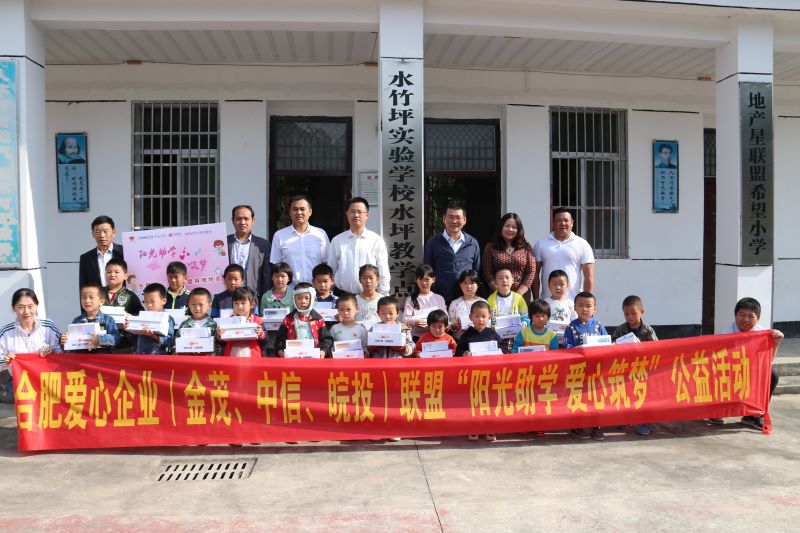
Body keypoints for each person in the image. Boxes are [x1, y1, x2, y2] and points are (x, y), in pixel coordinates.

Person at [711, 297, 784, 431]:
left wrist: (776, 344)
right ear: (735, 316)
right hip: (730, 369)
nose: (746, 319)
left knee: (772, 373)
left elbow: (767, 362)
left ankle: (753, 415)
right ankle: (715, 409)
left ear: (758, 318)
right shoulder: (726, 334)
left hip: (752, 370)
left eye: (751, 316)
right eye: (742, 315)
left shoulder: (763, 333)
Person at [0, 289, 62, 401]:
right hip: (19, 383)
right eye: (21, 307)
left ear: (37, 306)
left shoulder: (48, 326)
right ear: (13, 308)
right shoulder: (6, 332)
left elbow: (62, 353)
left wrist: (52, 351)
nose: (26, 311)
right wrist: (5, 360)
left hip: (47, 381)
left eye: (30, 306)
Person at [564, 291, 608, 442]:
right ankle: (578, 425)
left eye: (588, 306)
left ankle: (597, 426)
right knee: (579, 397)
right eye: (581, 305)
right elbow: (568, 347)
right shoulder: (571, 328)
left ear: (594, 308)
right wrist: (581, 351)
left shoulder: (599, 326)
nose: (584, 309)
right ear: (575, 308)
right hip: (579, 370)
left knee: (596, 397)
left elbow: (607, 345)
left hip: (596, 370)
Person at [455, 300, 502, 442]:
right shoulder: (466, 335)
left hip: (490, 375)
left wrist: (499, 354)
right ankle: (473, 428)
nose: (480, 320)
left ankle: (489, 428)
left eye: (484, 316)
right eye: (477, 316)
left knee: (490, 402)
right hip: (472, 376)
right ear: (470, 317)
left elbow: (502, 352)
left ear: (489, 318)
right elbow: (457, 353)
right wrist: (463, 354)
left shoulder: (493, 335)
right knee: (473, 402)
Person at [611, 295, 658, 435]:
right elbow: (612, 347)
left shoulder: (648, 330)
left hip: (644, 371)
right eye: (626, 314)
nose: (630, 317)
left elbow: (657, 348)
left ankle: (647, 422)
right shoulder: (620, 330)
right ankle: (626, 418)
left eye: (633, 313)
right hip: (626, 369)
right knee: (627, 394)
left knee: (645, 396)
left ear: (642, 312)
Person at [328, 197, 390, 296]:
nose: (356, 215)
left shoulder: (376, 240)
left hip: (369, 296)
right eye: (352, 211)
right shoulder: (337, 240)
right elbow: (331, 270)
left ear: (367, 215)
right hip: (342, 296)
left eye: (360, 212)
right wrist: (329, 294)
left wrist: (383, 295)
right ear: (347, 214)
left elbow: (383, 271)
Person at [423, 204, 481, 305]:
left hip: (465, 298)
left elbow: (476, 269)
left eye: (458, 217)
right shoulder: (433, 243)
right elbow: (428, 270)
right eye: (450, 217)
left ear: (464, 220)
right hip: (439, 297)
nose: (454, 221)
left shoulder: (472, 243)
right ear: (444, 219)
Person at [533, 208, 595, 301]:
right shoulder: (541, 244)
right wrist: (536, 300)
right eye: (558, 221)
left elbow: (589, 275)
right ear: (553, 223)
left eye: (566, 220)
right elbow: (534, 274)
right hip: (547, 302)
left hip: (574, 302)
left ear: (572, 223)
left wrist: (586, 300)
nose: (563, 223)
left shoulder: (582, 244)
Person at [270, 195, 329, 287]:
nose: (299, 212)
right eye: (295, 209)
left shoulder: (320, 234)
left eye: (302, 209)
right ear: (289, 212)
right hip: (289, 290)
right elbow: (276, 265)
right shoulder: (279, 236)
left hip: (316, 290)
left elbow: (326, 263)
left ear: (310, 212)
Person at [481, 213, 536, 302]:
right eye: (507, 226)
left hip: (521, 297)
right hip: (498, 297)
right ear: (501, 227)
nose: (510, 229)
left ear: (519, 230)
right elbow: (487, 272)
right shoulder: (490, 247)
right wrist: (502, 293)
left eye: (514, 227)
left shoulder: (526, 247)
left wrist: (518, 294)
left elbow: (531, 272)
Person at [276, 283, 333, 359]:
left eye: (307, 298)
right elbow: (280, 339)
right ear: (293, 299)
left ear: (313, 299)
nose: (303, 301)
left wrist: (323, 351)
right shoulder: (288, 319)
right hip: (292, 358)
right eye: (299, 298)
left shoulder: (318, 319)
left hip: (314, 358)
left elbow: (326, 339)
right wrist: (280, 351)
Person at [226, 205, 273, 299]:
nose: (242, 222)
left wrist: (264, 298)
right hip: (228, 297)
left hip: (252, 297)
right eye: (238, 219)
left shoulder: (263, 245)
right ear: (232, 220)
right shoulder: (223, 243)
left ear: (253, 220)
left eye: (246, 219)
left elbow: (267, 276)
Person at [61, 284, 120, 353]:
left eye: (91, 297)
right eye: (84, 297)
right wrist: (65, 340)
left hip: (102, 358)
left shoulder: (107, 320)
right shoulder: (77, 321)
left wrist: (99, 339)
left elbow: (116, 338)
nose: (87, 300)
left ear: (101, 301)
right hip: (81, 358)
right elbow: (72, 343)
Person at [487, 267, 531, 353]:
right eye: (500, 278)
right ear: (495, 282)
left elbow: (525, 317)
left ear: (512, 280)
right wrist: (491, 326)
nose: (504, 280)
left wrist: (524, 323)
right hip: (497, 335)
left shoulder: (519, 299)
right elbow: (488, 318)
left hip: (515, 335)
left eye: (507, 277)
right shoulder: (490, 300)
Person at [104, 258, 144, 351]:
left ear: (125, 276)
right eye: (109, 272)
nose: (112, 274)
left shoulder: (130, 296)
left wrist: (129, 317)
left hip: (124, 343)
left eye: (116, 272)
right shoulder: (98, 293)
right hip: (101, 341)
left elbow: (140, 317)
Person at [128, 283, 175, 355]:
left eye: (153, 301)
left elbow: (169, 342)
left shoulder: (167, 319)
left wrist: (152, 335)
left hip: (158, 357)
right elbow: (135, 339)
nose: (149, 305)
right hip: (141, 356)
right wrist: (130, 329)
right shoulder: (142, 317)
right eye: (146, 301)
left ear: (163, 301)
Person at [79, 215, 124, 290]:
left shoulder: (124, 252)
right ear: (93, 234)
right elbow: (83, 286)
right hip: (97, 297)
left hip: (122, 296)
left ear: (113, 232)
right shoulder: (86, 258)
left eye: (105, 231)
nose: (102, 235)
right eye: (98, 232)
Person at [402, 264, 447, 340]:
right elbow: (405, 319)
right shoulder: (411, 299)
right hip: (418, 337)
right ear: (416, 280)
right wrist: (415, 322)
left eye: (427, 279)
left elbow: (446, 318)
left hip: (437, 337)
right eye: (421, 279)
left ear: (433, 279)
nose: (424, 282)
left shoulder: (439, 298)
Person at [218, 287, 265, 358]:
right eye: (236, 303)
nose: (239, 306)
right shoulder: (228, 321)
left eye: (243, 303)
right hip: (232, 355)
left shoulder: (258, 321)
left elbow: (265, 341)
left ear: (252, 304)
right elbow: (221, 342)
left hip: (252, 356)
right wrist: (219, 335)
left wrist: (261, 333)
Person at [260, 262, 295, 356]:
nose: (279, 279)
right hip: (271, 340)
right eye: (276, 276)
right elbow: (261, 318)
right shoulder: (265, 297)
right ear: (272, 277)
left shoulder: (294, 295)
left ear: (289, 278)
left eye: (283, 276)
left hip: (289, 340)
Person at [175, 287, 218, 356]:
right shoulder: (184, 325)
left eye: (201, 305)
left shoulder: (214, 325)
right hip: (188, 360)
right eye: (193, 304)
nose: (197, 308)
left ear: (209, 306)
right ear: (188, 305)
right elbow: (176, 345)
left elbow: (218, 347)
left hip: (208, 360)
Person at [448, 269, 487, 340]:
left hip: (480, 340)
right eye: (465, 283)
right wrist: (453, 326)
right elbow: (450, 325)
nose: (469, 286)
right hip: (460, 340)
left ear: (478, 285)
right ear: (460, 285)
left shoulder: (483, 302)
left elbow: (489, 322)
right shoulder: (455, 303)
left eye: (472, 283)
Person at [543, 270, 577, 348]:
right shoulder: (544, 303)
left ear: (567, 285)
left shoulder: (571, 304)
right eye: (554, 284)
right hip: (549, 339)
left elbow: (574, 321)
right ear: (549, 285)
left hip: (566, 339)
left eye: (562, 284)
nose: (558, 288)